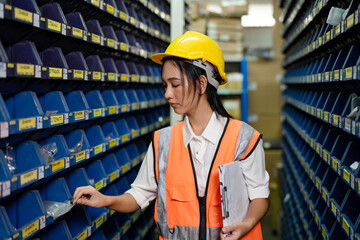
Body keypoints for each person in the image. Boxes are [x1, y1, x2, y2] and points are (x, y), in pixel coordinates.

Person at [73, 31, 270, 240]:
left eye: (175, 84)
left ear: (202, 84)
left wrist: (246, 224)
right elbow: (140, 194)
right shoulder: (163, 142)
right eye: (165, 85)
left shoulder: (244, 139)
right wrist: (105, 200)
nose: (167, 93)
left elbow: (260, 196)